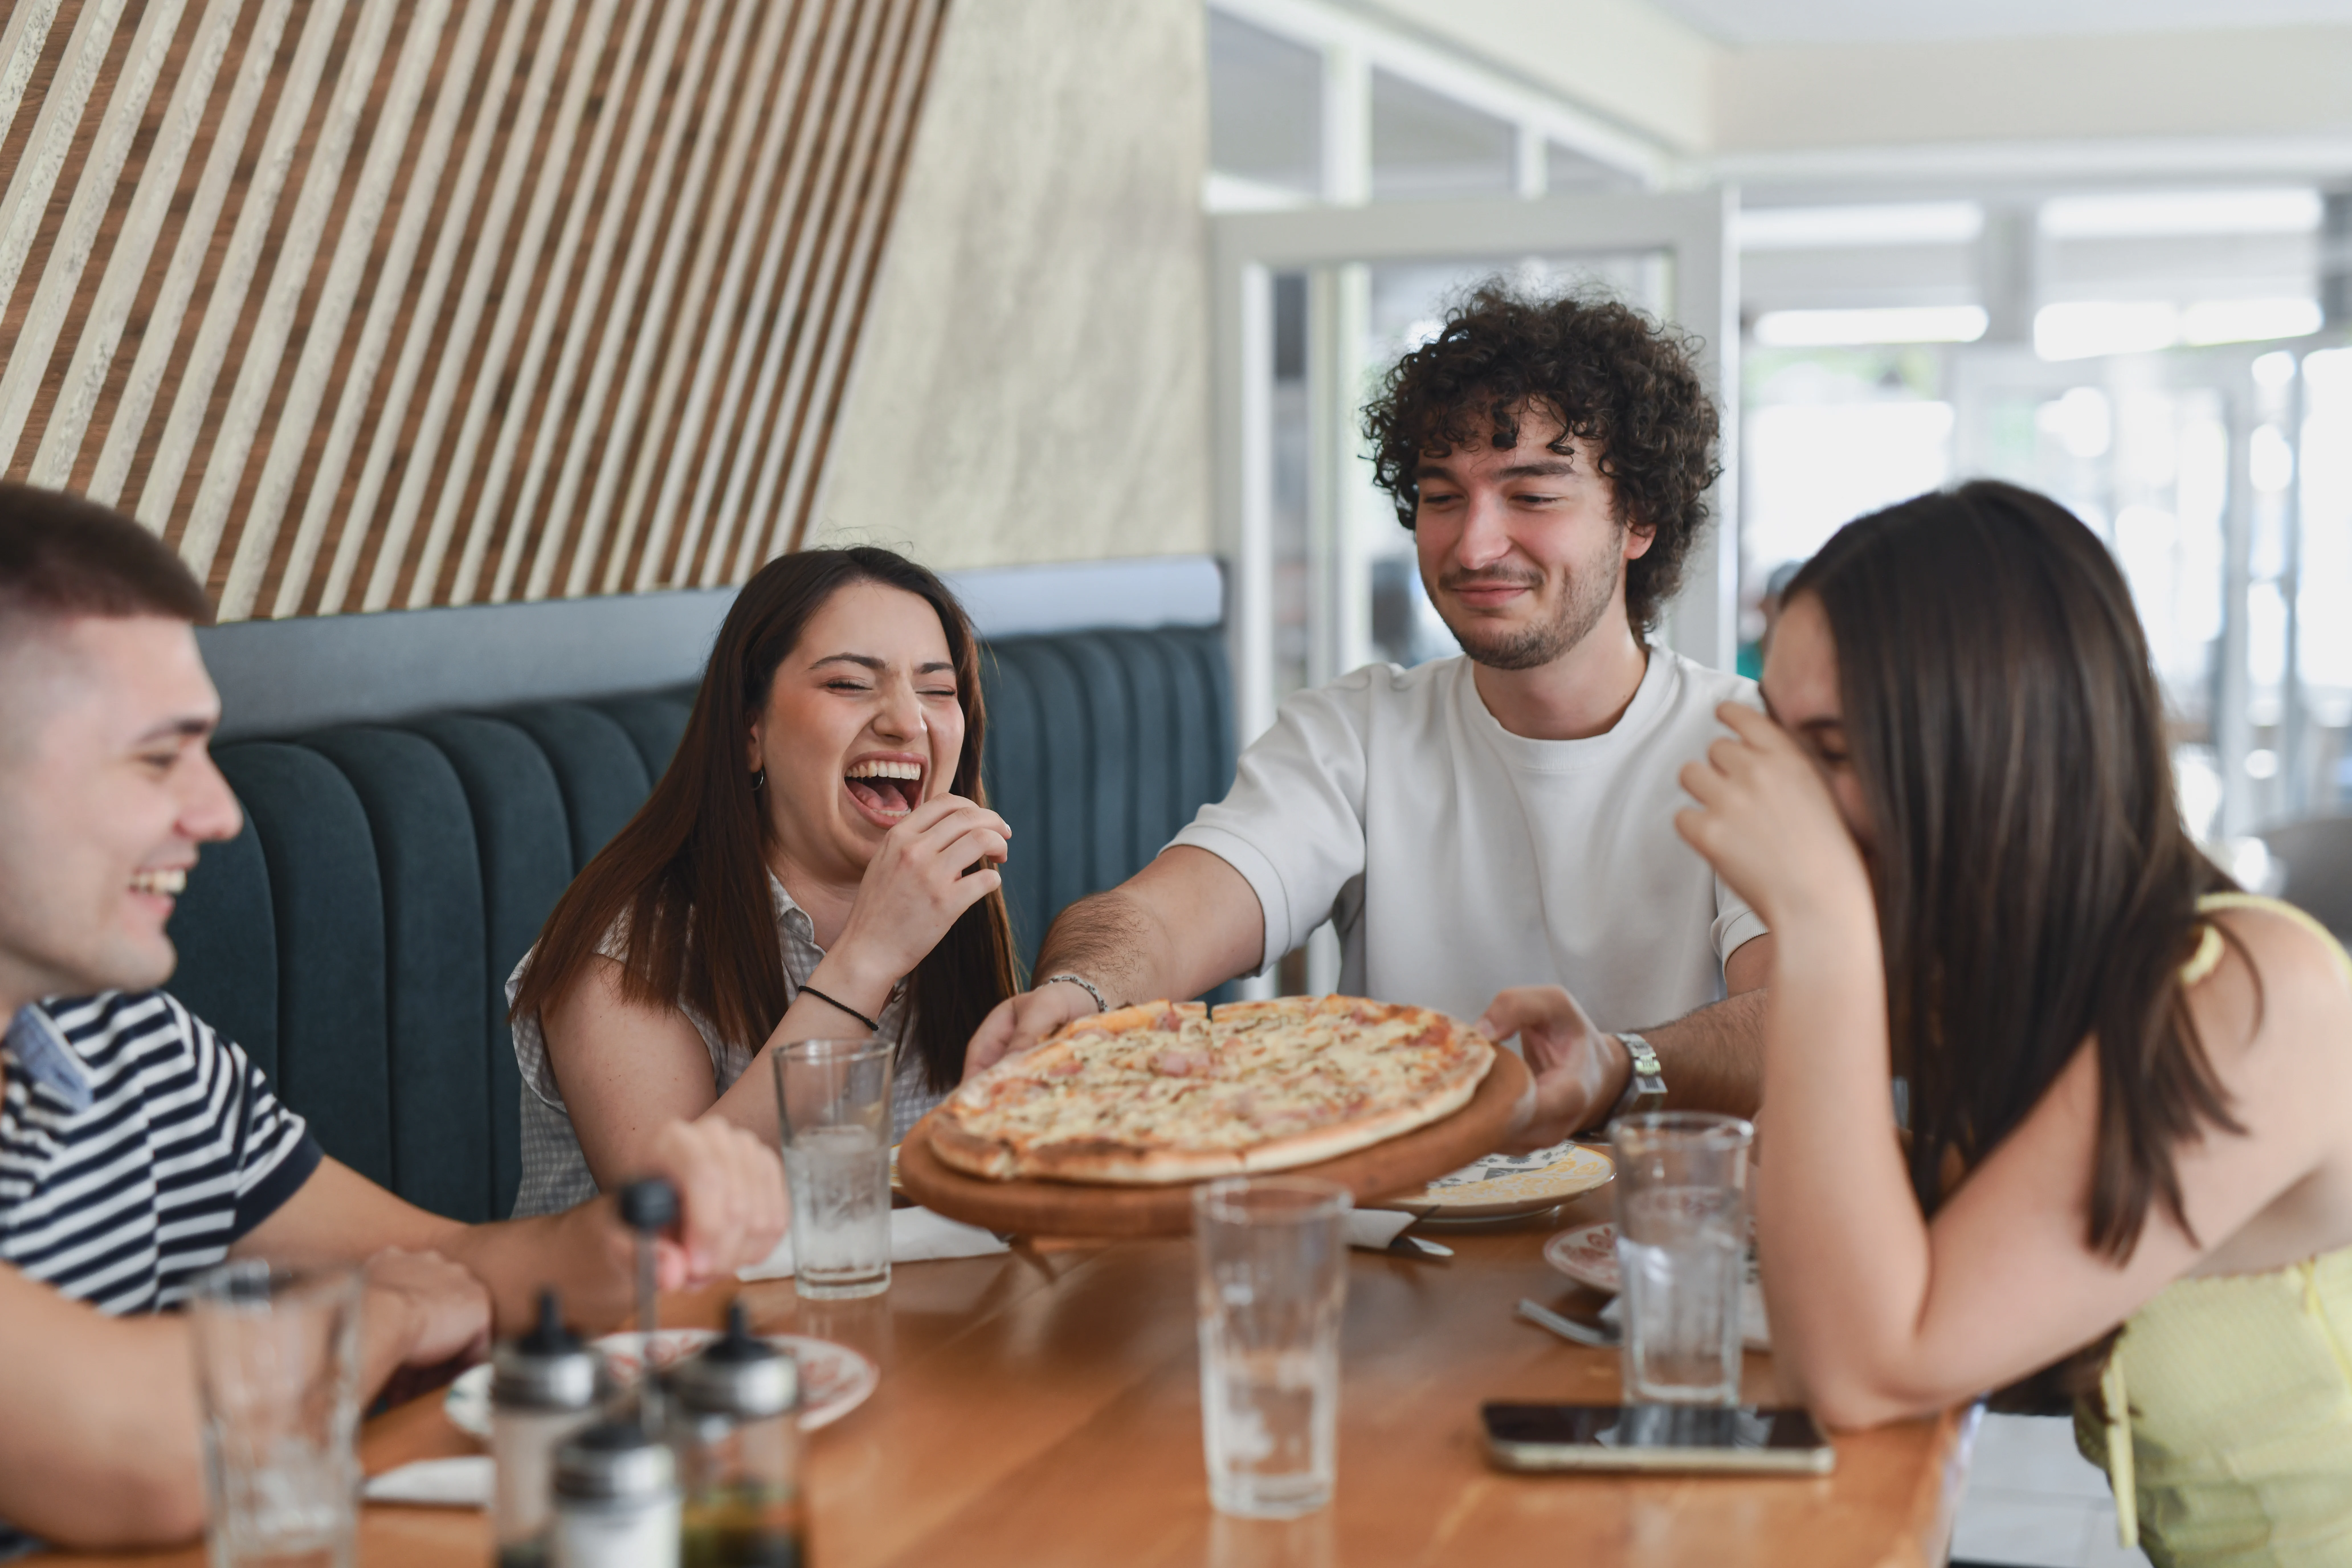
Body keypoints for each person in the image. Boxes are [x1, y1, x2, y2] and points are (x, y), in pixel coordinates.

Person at [0, 485, 786, 1553]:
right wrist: (391, 1318)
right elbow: (157, 1451)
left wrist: (639, 1231)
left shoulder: (137, 1048)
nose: (218, 811)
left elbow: (457, 1258)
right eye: (155, 757)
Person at [1673, 480, 2352, 1564]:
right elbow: (1938, 1222)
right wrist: (1643, 1092)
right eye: (1781, 743)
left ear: (1991, 750)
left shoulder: (2254, 998)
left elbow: (1854, 1372)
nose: (1789, 798)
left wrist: (1818, 921)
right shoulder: (2021, 976)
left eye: (1832, 753)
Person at [968, 281, 1772, 1145]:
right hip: (1401, 1241)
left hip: (1665, 1242)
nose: (1474, 545)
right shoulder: (1357, 732)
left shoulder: (1749, 745)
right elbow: (1158, 917)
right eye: (1442, 497)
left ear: (1640, 518)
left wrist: (1618, 1068)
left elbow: (1800, 1020)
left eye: (1532, 497)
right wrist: (1083, 992)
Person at [506, 548, 1016, 1215]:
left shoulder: (955, 906)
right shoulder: (623, 950)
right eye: (849, 684)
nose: (907, 720)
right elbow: (671, 1219)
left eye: (938, 689)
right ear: (751, 733)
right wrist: (869, 958)